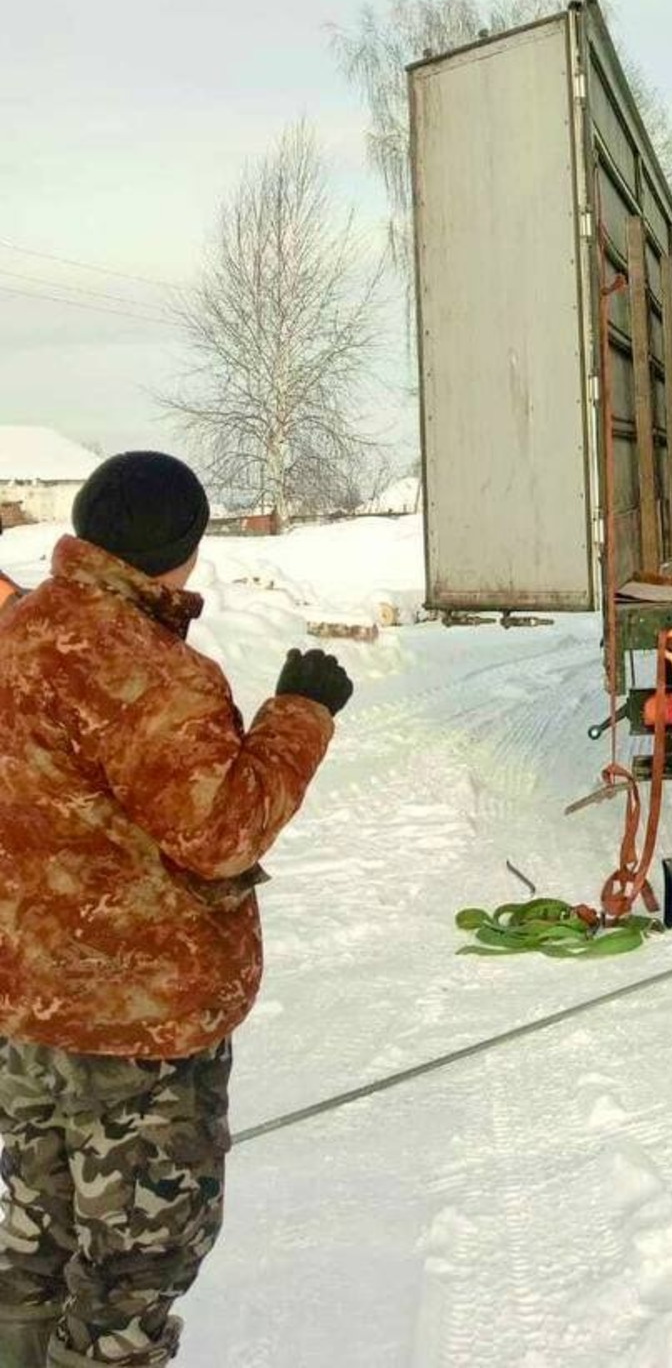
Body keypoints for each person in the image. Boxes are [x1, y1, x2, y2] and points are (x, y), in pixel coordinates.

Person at [0, 452, 353, 1368]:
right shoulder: (154, 673)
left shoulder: (15, 633)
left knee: (30, 1257)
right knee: (129, 1281)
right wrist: (301, 714)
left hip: (26, 1019)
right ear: (184, 554)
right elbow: (225, 831)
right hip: (141, 1036)